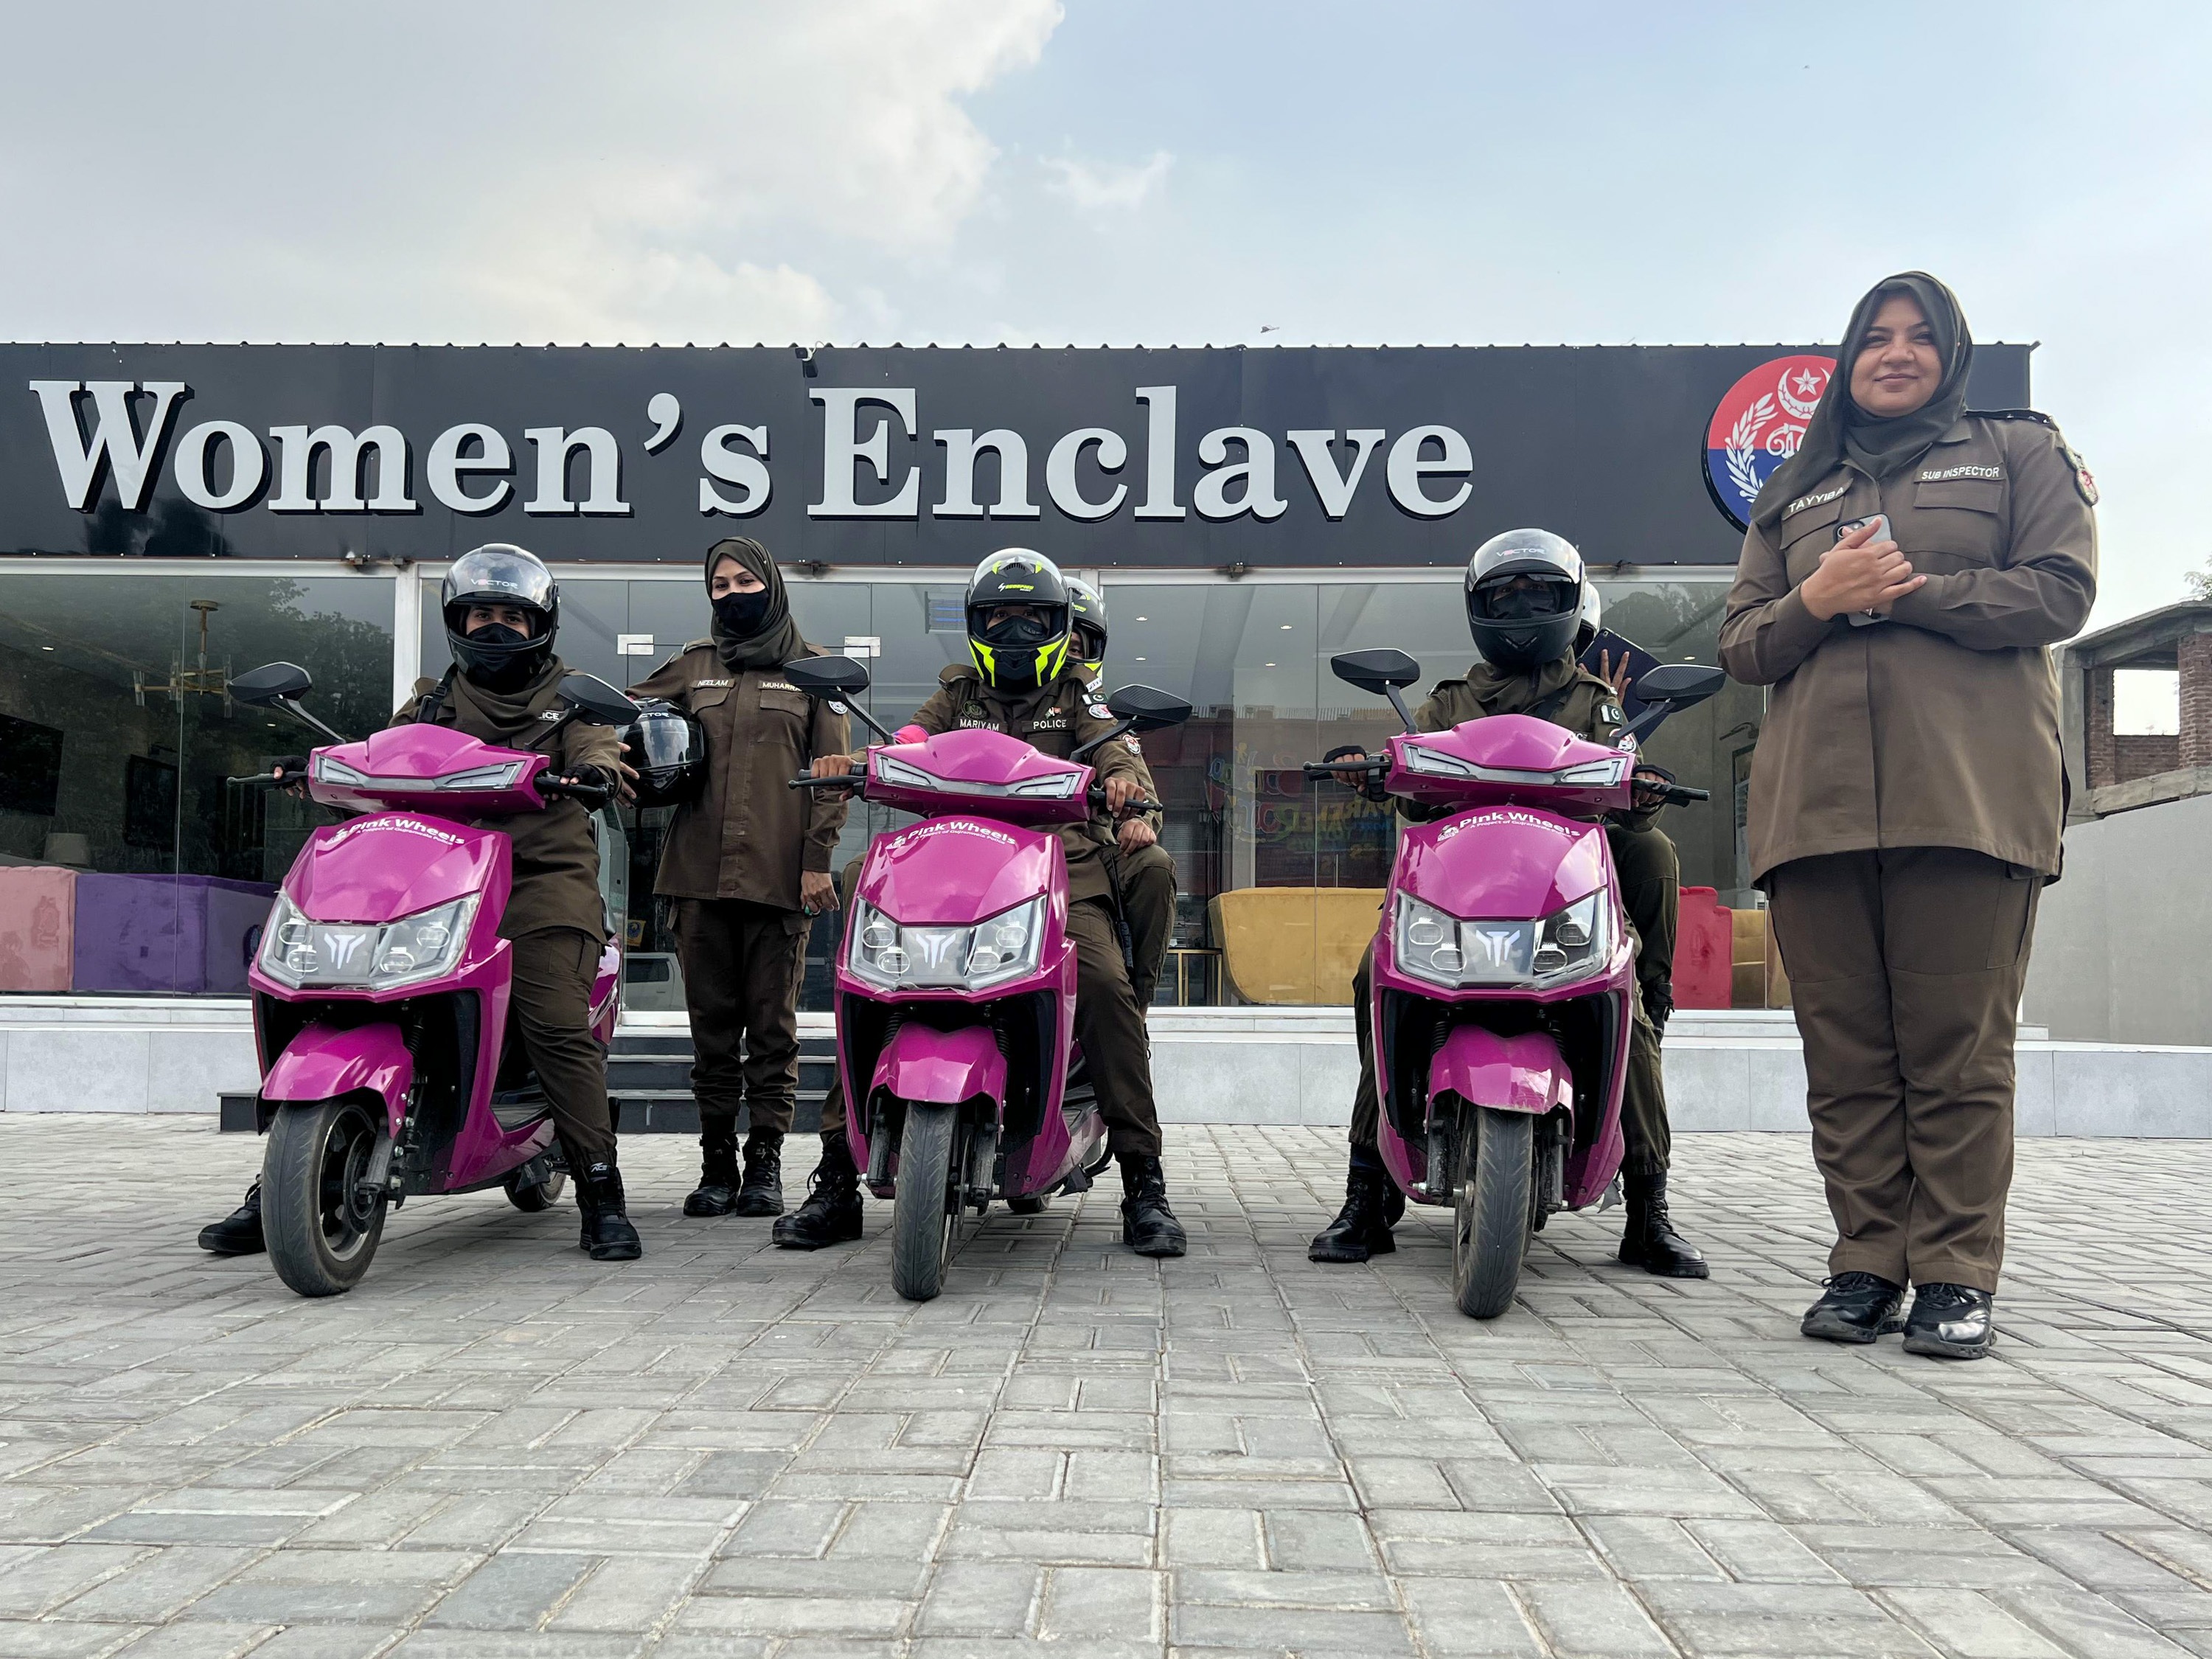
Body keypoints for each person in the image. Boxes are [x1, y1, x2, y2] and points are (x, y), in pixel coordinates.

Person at [1720, 272, 2096, 1360]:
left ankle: (1954, 1274)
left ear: (1952, 353)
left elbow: (2061, 592)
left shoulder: (2018, 452)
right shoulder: (1793, 489)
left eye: (1919, 337)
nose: (1896, 354)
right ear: (1847, 360)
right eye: (1875, 337)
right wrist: (1816, 599)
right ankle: (1865, 1263)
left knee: (1957, 1054)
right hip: (1816, 810)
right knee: (1845, 1058)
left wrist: (1913, 592)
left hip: (1967, 800)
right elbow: (1742, 643)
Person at [198, 544, 643, 1262]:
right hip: (433, 874)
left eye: (511, 617)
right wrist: (316, 770)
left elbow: (601, 750)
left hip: (539, 880)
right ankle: (283, 1178)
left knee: (555, 1020)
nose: (494, 628)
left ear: (540, 626)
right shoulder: (433, 700)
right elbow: (387, 754)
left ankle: (600, 1186)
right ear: (456, 623)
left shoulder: (571, 702)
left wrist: (594, 769)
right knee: (329, 989)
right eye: (479, 614)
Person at [1307, 529, 1706, 1279]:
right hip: (1462, 885)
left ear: (1568, 605)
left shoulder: (1595, 702)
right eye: (1505, 596)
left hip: (1562, 888)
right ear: (1479, 610)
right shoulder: (1446, 702)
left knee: (1632, 1007)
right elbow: (1415, 800)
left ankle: (1649, 1207)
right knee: (1377, 981)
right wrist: (1376, 772)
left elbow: (1625, 793)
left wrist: (1643, 785)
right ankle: (1369, 1190)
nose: (1522, 608)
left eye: (1538, 594)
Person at [784, 549, 1189, 1258]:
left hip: (1061, 877)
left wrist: (1127, 792)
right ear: (976, 625)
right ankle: (837, 1178)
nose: (1015, 628)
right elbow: (910, 743)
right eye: (999, 615)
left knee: (1102, 986)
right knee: (871, 993)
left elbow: (1119, 755)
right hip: (952, 870)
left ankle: (1143, 1182)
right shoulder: (956, 695)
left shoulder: (1078, 698)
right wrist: (855, 764)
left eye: (1031, 616)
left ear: (1059, 626)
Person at [627, 537, 848, 1221]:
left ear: (772, 585)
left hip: (779, 878)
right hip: (697, 877)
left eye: (744, 582)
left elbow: (833, 780)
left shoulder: (814, 673)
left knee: (773, 1030)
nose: (732, 595)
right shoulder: (695, 666)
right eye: (719, 585)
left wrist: (816, 862)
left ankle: (766, 1163)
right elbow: (624, 722)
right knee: (712, 1032)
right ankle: (717, 1164)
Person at [1067, 576, 1177, 1008]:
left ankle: (1135, 1005)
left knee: (1154, 865)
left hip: (1082, 856)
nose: (1070, 656)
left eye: (1079, 648)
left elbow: (1144, 796)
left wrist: (1137, 820)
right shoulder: (982, 702)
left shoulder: (1103, 720)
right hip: (994, 849)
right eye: (1063, 644)